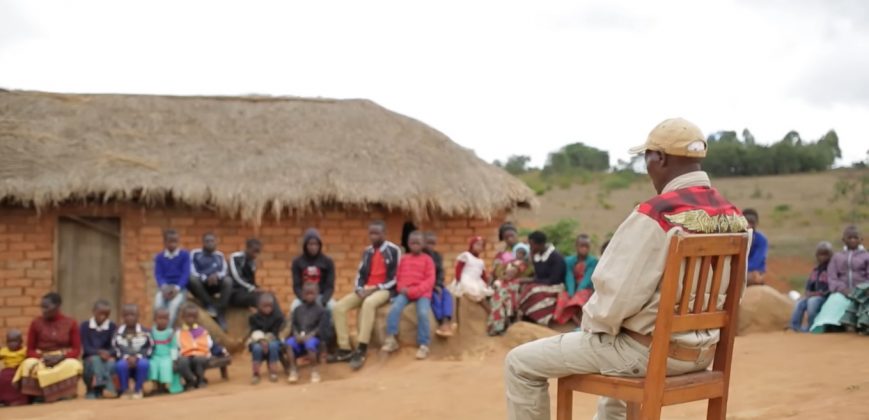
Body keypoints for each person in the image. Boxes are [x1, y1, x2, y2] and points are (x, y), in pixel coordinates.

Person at [505, 117, 750, 420]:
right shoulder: (735, 218)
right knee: (615, 374)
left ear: (659, 158)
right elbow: (735, 296)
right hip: (702, 355)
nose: (647, 167)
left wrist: (594, 327)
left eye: (646, 158)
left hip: (648, 354)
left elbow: (613, 298)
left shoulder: (655, 215)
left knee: (520, 364)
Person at [331, 220, 401, 370]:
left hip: (385, 289)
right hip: (366, 288)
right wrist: (359, 288)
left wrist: (375, 288)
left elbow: (396, 277)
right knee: (339, 307)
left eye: (376, 233)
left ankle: (362, 347)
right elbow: (360, 273)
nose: (373, 236)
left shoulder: (393, 250)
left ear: (384, 234)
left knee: (369, 303)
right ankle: (344, 348)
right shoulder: (367, 251)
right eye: (371, 233)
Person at [14, 292, 83, 403]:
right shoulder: (36, 323)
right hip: (42, 357)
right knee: (28, 364)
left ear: (57, 306)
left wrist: (61, 357)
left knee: (73, 365)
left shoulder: (71, 323)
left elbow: (76, 350)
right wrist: (42, 357)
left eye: (46, 307)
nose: (43, 310)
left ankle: (63, 394)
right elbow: (30, 350)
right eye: (42, 307)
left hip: (62, 358)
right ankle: (37, 395)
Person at [381, 231, 437, 360]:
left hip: (422, 293)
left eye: (418, 243)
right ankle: (391, 339)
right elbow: (399, 277)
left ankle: (424, 344)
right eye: (412, 243)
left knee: (423, 313)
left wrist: (415, 291)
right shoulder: (404, 258)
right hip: (406, 292)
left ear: (423, 244)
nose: (415, 245)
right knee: (394, 308)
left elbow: (430, 280)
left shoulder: (428, 260)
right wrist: (401, 288)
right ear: (408, 243)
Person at [516, 231, 567, 326]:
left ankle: (539, 319)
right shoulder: (536, 256)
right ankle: (523, 316)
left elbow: (554, 280)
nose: (530, 248)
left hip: (556, 286)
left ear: (541, 244)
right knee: (522, 287)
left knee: (532, 290)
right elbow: (539, 276)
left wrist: (532, 281)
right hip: (542, 283)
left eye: (532, 245)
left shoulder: (556, 257)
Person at [487, 243, 535, 336]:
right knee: (498, 304)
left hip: (514, 289)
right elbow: (499, 273)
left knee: (508, 305)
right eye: (518, 252)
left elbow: (530, 277)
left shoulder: (526, 266)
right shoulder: (508, 262)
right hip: (503, 287)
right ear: (515, 252)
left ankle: (505, 328)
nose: (520, 255)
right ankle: (496, 328)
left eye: (522, 253)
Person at [188, 232, 231, 330]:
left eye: (212, 241)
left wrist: (217, 276)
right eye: (207, 241)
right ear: (203, 242)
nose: (210, 243)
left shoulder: (219, 255)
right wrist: (205, 277)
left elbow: (224, 271)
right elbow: (192, 270)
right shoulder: (195, 253)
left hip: (215, 284)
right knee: (191, 279)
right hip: (201, 284)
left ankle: (220, 312)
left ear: (216, 242)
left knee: (228, 281)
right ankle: (209, 305)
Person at [553, 234, 599, 325]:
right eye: (582, 246)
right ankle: (569, 316)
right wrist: (571, 292)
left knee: (580, 297)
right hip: (573, 289)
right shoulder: (569, 260)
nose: (584, 249)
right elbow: (569, 277)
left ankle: (577, 318)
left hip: (586, 288)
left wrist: (577, 291)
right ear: (577, 247)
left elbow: (587, 278)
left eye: (587, 246)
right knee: (563, 296)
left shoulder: (593, 261)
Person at [286, 282, 328, 384]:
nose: (309, 296)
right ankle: (293, 370)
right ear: (303, 294)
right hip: (299, 337)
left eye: (312, 293)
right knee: (289, 343)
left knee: (310, 344)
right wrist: (296, 334)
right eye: (307, 293)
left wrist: (310, 335)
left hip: (314, 339)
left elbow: (321, 328)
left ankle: (314, 371)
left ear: (317, 293)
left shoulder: (321, 311)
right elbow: (294, 325)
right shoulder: (297, 310)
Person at [112, 304, 153, 399]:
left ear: (138, 316)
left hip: (140, 358)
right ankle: (124, 390)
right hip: (124, 359)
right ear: (123, 317)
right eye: (127, 315)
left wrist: (138, 357)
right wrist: (126, 357)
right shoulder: (118, 332)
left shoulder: (145, 331)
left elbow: (150, 347)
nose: (129, 318)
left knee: (144, 364)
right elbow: (115, 347)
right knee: (120, 365)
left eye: (132, 315)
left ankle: (138, 389)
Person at [790, 242, 833, 332]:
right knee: (800, 303)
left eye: (825, 255)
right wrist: (807, 293)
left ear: (830, 255)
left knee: (812, 302)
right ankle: (795, 326)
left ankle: (811, 326)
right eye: (820, 255)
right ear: (817, 256)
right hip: (813, 295)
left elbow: (830, 288)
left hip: (825, 297)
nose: (823, 257)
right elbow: (809, 285)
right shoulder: (815, 270)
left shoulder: (832, 269)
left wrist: (815, 294)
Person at [290, 228, 336, 311]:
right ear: (305, 245)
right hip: (304, 297)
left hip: (322, 296)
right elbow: (296, 286)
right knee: (294, 307)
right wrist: (304, 299)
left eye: (316, 244)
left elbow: (330, 286)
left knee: (333, 307)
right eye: (310, 244)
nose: (313, 247)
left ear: (319, 245)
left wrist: (323, 301)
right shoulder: (297, 262)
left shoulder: (327, 261)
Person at [79, 299, 117, 399]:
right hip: (90, 358)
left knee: (111, 363)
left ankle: (99, 389)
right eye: (100, 314)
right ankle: (96, 389)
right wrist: (99, 352)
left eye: (106, 315)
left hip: (106, 358)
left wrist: (108, 353)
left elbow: (114, 347)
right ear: (93, 311)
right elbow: (86, 348)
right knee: (96, 361)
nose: (103, 317)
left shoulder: (112, 326)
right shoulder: (85, 326)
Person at [153, 228, 190, 327]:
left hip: (179, 288)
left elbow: (185, 274)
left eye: (175, 241)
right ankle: (157, 328)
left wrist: (177, 288)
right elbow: (158, 274)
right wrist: (164, 288)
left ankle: (167, 329)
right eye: (170, 241)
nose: (173, 244)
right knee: (158, 304)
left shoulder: (184, 255)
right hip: (164, 288)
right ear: (165, 242)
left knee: (173, 306)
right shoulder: (160, 257)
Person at [228, 238, 275, 312]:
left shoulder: (252, 262)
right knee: (260, 300)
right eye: (254, 251)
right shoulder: (235, 257)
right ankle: (261, 321)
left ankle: (278, 321)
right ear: (247, 248)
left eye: (258, 252)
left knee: (270, 297)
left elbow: (251, 281)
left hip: (246, 292)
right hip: (234, 293)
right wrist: (252, 288)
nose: (256, 255)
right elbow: (236, 277)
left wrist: (259, 288)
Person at [248, 293, 284, 384]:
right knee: (256, 348)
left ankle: (273, 372)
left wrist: (267, 340)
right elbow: (253, 332)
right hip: (257, 340)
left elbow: (276, 333)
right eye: (265, 306)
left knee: (273, 346)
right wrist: (260, 340)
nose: (268, 309)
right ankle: (256, 373)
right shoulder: (254, 318)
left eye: (270, 306)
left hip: (273, 339)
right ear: (259, 306)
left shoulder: (278, 317)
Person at [176, 304, 214, 389]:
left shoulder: (202, 331)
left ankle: (200, 380)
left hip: (201, 353)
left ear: (197, 318)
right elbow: (177, 345)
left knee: (199, 360)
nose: (190, 319)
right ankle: (190, 380)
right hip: (186, 354)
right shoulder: (179, 332)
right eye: (188, 317)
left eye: (193, 317)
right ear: (183, 317)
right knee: (183, 362)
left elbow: (210, 343)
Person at [424, 232, 454, 337]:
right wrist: (432, 286)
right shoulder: (420, 256)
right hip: (425, 286)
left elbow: (440, 272)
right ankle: (441, 321)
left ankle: (446, 320)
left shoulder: (437, 256)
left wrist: (438, 284)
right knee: (435, 297)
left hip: (436, 283)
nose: (430, 246)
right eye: (428, 243)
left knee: (446, 294)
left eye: (432, 243)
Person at [148, 308, 183, 394]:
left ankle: (163, 386)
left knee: (165, 366)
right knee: (153, 365)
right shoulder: (151, 332)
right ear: (155, 320)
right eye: (160, 318)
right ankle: (156, 386)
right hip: (155, 356)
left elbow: (174, 347)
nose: (162, 321)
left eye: (165, 319)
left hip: (167, 356)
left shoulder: (170, 333)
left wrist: (174, 359)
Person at [451, 236, 493, 302]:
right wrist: (458, 280)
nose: (479, 247)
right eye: (477, 244)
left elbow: (483, 275)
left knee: (479, 297)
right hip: (466, 281)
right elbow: (458, 268)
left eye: (482, 245)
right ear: (472, 245)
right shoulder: (466, 255)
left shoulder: (481, 262)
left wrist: (487, 284)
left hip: (477, 282)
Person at [0, 329, 28, 406]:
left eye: (15, 341)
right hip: (7, 370)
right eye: (9, 342)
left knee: (19, 380)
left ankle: (18, 400)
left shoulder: (24, 350)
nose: (12, 344)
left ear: (21, 342)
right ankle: (4, 399)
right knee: (2, 378)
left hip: (19, 369)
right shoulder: (4, 351)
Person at [744, 209, 768, 286]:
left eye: (752, 223)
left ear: (756, 223)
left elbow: (756, 261)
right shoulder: (738, 238)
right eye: (747, 222)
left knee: (753, 276)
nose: (749, 225)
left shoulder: (761, 239)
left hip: (754, 272)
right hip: (742, 270)